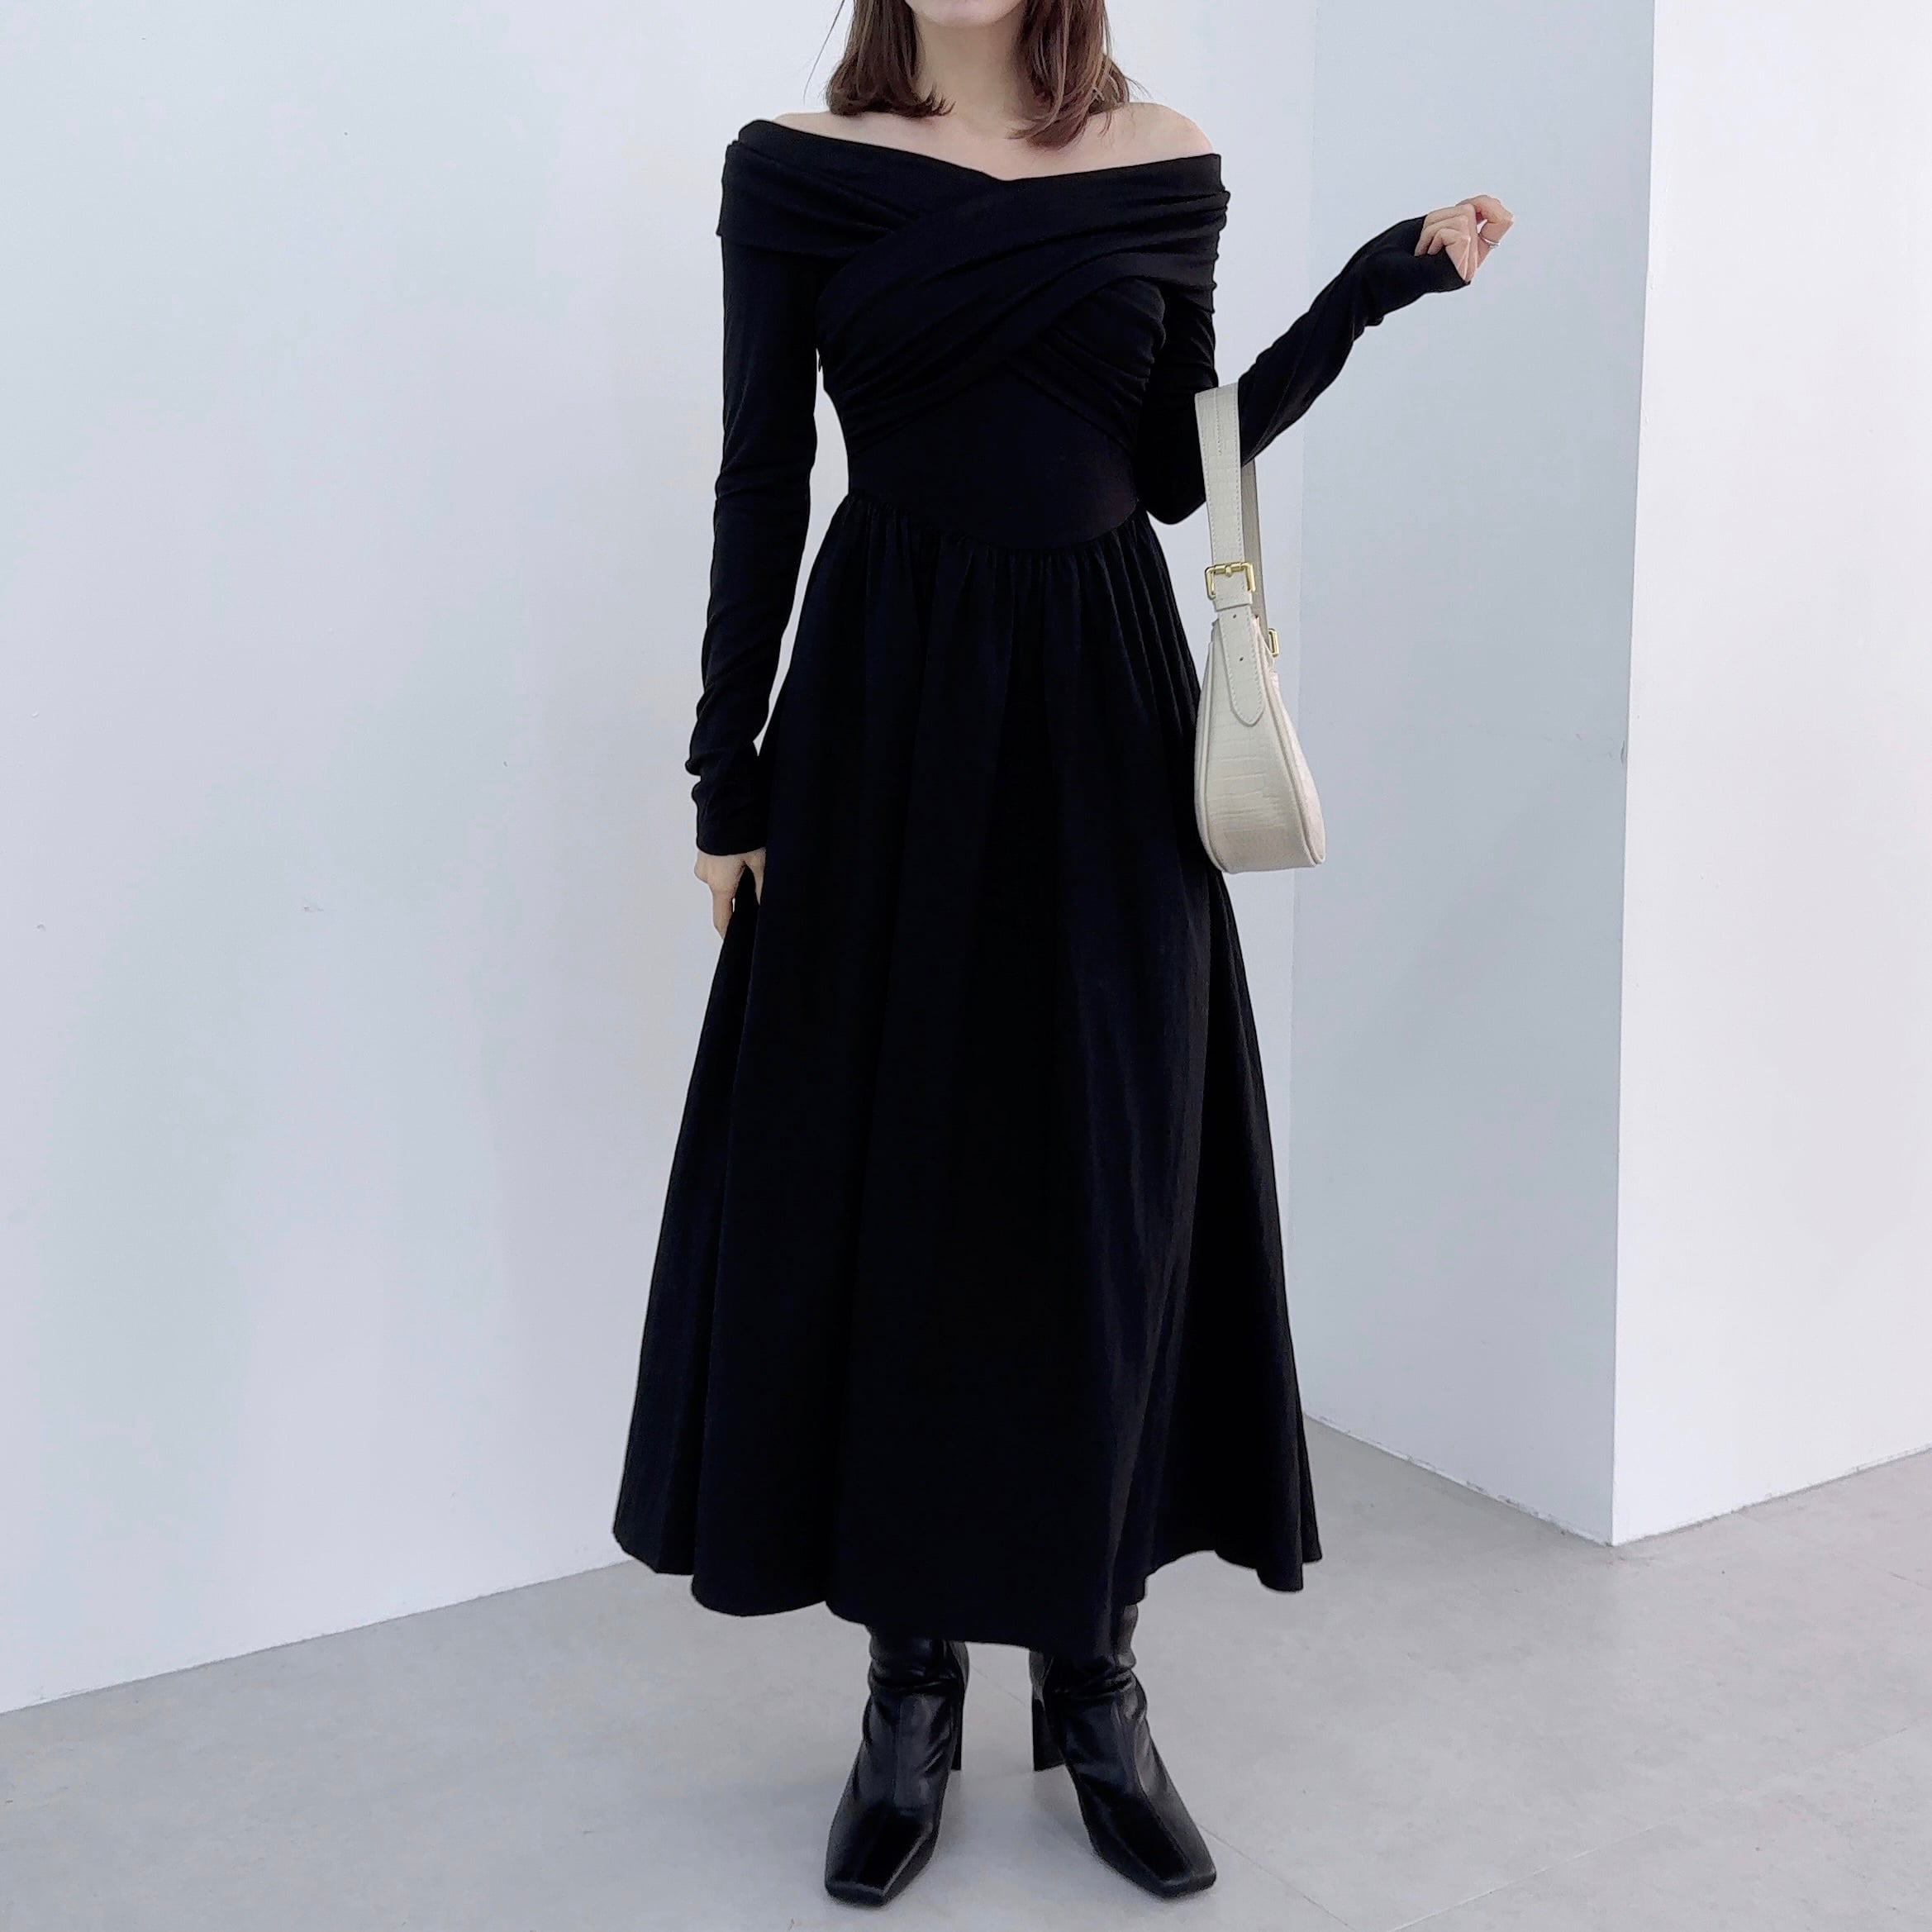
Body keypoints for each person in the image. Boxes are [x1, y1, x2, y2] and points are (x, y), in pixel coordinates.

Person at [615, 0, 1509, 1908]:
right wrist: (724, 770)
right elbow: (760, 469)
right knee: (905, 1184)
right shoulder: (795, 170)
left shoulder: (1161, 162)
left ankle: (1093, 1683)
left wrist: (1369, 293)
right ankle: (908, 1691)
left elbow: (1177, 470)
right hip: (883, 708)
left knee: (1108, 1184)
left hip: (1104, 700)